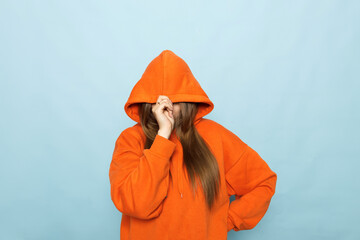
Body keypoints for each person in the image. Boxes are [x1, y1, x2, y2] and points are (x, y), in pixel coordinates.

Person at [109, 49, 277, 240]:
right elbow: (136, 204)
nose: (168, 107)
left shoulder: (216, 136)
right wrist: (162, 137)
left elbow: (263, 182)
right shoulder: (130, 139)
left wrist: (225, 221)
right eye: (160, 102)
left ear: (189, 100)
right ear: (148, 104)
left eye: (175, 100)